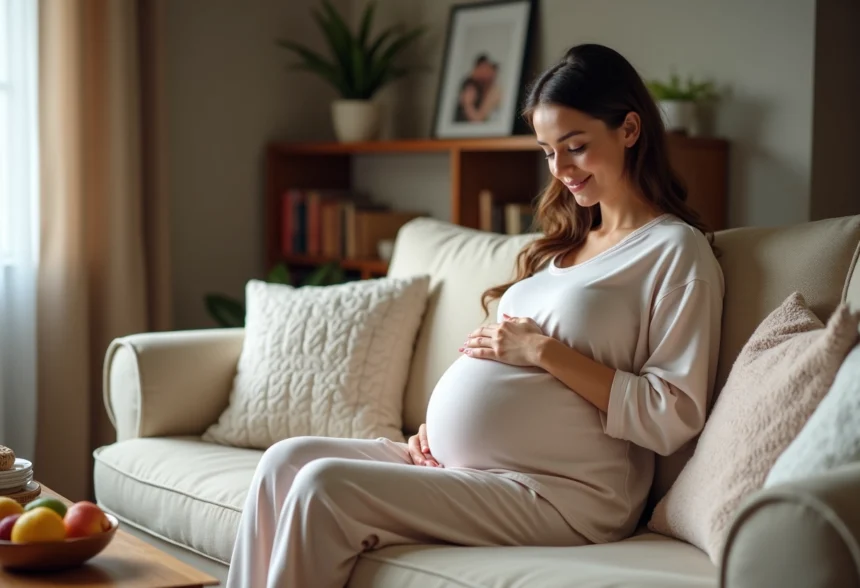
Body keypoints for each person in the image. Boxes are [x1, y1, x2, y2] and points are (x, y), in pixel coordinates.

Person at [225, 43, 724, 588]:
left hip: (563, 495)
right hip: (469, 469)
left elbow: (672, 413)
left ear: (629, 129)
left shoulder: (675, 251)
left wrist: (541, 351)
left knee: (324, 487)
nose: (561, 170)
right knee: (284, 463)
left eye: (576, 146)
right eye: (548, 151)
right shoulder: (561, 249)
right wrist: (433, 433)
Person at [454, 53, 502, 122]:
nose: (486, 73)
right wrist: (467, 104)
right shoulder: (470, 85)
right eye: (483, 69)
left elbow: (479, 119)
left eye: (488, 69)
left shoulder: (495, 91)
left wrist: (468, 105)